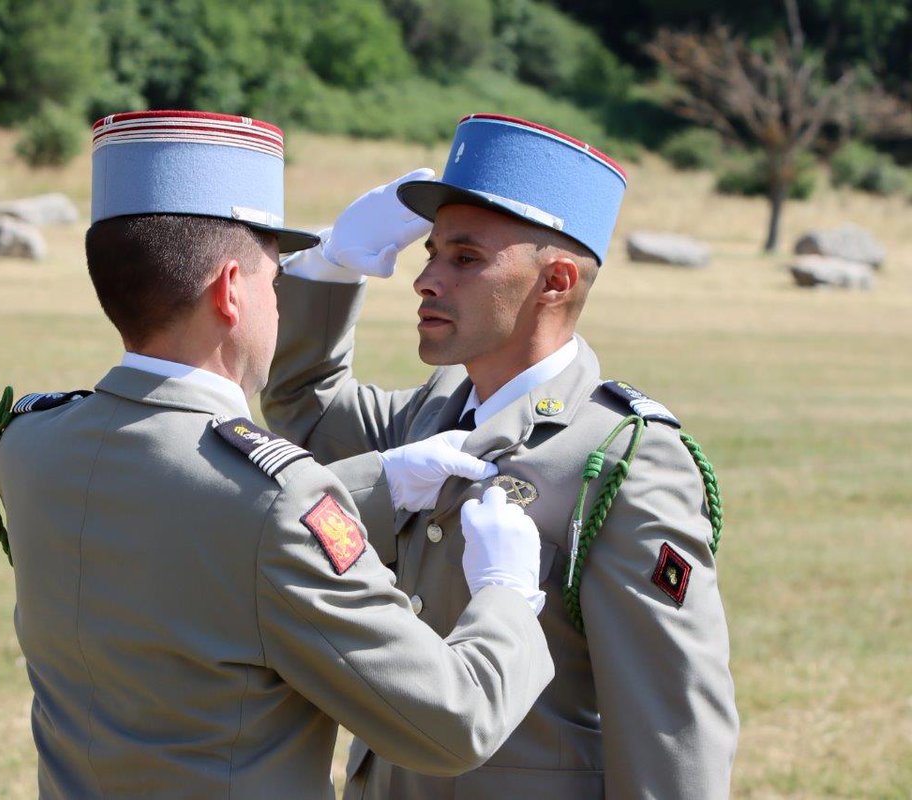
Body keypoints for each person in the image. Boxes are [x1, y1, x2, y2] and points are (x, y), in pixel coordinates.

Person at [0, 110, 555, 799]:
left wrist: (375, 482)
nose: (279, 307)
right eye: (273, 280)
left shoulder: (30, 442)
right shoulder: (279, 502)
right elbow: (452, 722)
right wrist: (506, 592)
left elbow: (180, 529)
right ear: (230, 291)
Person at [265, 113, 739, 799]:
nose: (426, 279)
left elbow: (674, 726)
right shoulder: (433, 412)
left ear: (555, 281)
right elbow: (302, 406)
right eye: (430, 253)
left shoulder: (624, 461)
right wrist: (332, 265)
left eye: (464, 258)